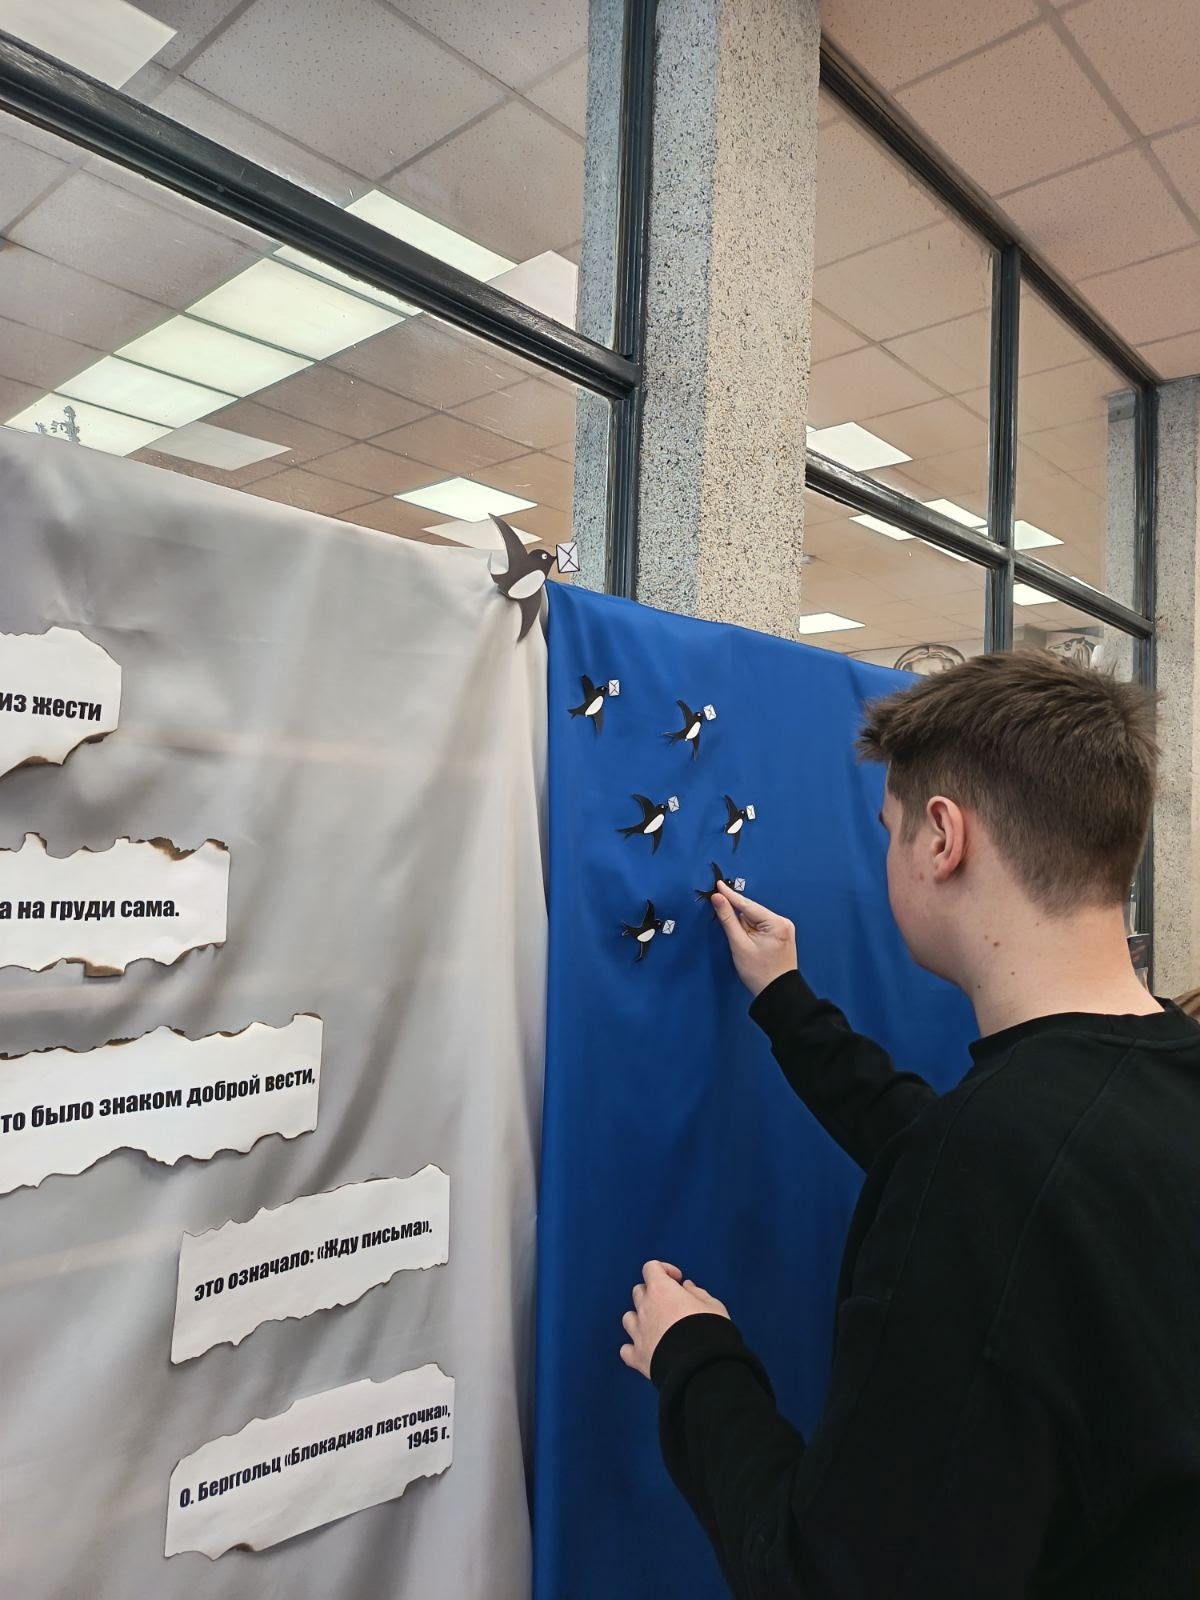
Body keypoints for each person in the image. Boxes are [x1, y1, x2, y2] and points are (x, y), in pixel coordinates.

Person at [619, 650, 1200, 1597]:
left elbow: (823, 1574)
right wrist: (789, 1004)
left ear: (942, 838)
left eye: (890, 833)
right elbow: (987, 1156)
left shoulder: (990, 1167)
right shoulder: (1145, 1089)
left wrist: (695, 1358)